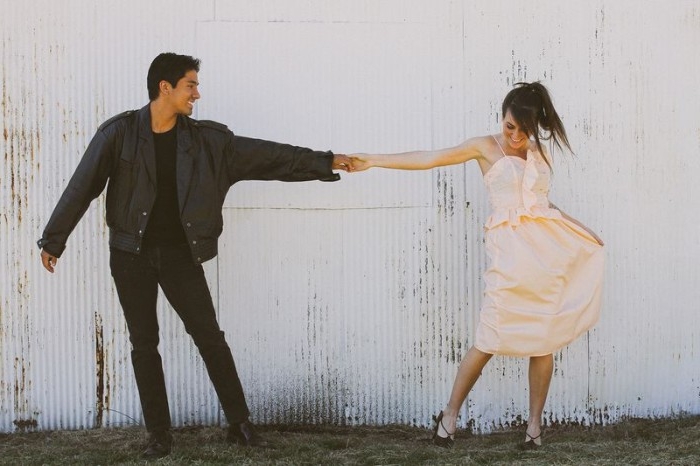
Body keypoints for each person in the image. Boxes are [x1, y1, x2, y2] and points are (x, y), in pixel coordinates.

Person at [37, 52, 350, 459]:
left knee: (209, 338)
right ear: (164, 87)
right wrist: (54, 240)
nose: (197, 94)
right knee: (144, 342)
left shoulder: (207, 142)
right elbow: (83, 185)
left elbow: (271, 156)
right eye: (191, 85)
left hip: (180, 255)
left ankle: (239, 424)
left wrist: (324, 161)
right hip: (129, 255)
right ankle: (159, 435)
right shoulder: (119, 134)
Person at [349, 82, 604, 450]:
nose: (515, 136)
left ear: (536, 126)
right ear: (502, 118)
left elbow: (543, 205)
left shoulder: (538, 151)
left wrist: (584, 231)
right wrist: (373, 159)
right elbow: (429, 157)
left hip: (544, 258)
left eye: (523, 130)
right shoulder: (484, 146)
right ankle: (449, 416)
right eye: (509, 126)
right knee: (488, 337)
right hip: (510, 257)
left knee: (543, 341)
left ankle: (534, 429)